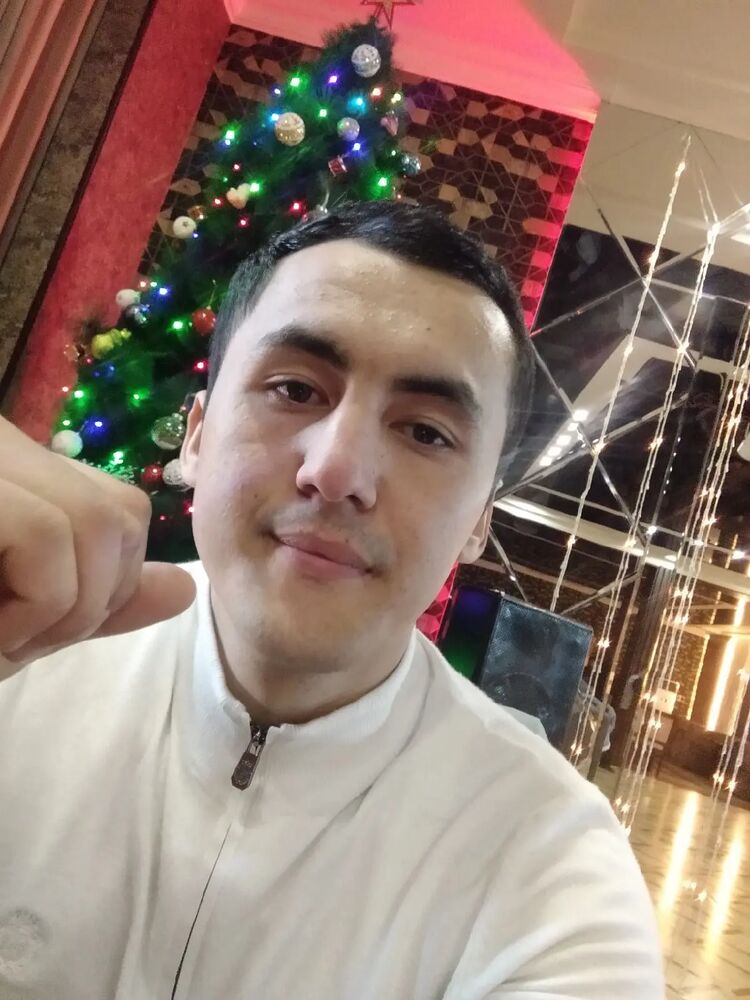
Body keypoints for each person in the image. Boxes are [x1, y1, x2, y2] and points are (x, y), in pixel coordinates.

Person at [0, 202, 663, 999]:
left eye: (426, 433)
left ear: (479, 519)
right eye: (294, 389)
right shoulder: (23, 661)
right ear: (198, 436)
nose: (338, 469)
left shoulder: (548, 867)